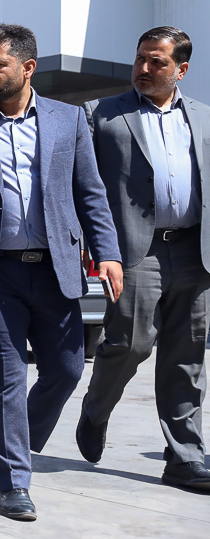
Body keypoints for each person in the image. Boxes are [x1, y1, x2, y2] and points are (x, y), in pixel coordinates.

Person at [0, 24, 123, 520]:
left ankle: (18, 437)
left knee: (67, 369)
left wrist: (108, 252)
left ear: (28, 68)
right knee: (6, 376)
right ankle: (13, 481)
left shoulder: (68, 119)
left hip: (56, 269)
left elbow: (90, 192)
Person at [77, 27, 210, 492]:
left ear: (181, 69)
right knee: (129, 345)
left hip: (195, 250)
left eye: (157, 62)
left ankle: (185, 457)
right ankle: (96, 410)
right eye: (140, 59)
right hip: (135, 250)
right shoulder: (100, 114)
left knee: (187, 356)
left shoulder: (204, 117)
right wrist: (93, 246)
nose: (144, 69)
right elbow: (80, 185)